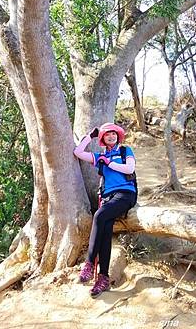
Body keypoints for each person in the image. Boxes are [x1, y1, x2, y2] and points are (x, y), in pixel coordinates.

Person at [73, 122, 137, 297]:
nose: (111, 136)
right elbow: (78, 152)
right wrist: (90, 136)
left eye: (114, 134)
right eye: (107, 134)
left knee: (99, 215)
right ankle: (103, 278)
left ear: (118, 137)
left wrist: (109, 162)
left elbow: (129, 168)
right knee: (105, 231)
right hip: (108, 198)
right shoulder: (100, 157)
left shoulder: (125, 151)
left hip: (125, 194)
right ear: (103, 138)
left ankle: (89, 263)